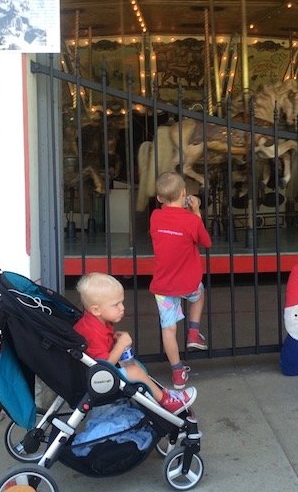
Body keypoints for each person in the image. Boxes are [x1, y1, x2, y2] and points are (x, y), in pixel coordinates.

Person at [73, 272, 197, 414]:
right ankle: (167, 402)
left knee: (134, 365)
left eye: (122, 302)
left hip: (95, 373)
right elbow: (103, 365)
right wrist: (121, 345)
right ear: (96, 310)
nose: (122, 308)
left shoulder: (98, 322)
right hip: (96, 379)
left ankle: (159, 395)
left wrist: (115, 340)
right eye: (116, 305)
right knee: (134, 370)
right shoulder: (93, 332)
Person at [149, 171, 212, 389]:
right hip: (188, 282)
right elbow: (206, 241)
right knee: (199, 294)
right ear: (184, 193)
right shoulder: (191, 220)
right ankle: (193, 331)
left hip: (164, 286)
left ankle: (177, 373)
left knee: (168, 329)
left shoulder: (155, 217)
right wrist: (196, 211)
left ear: (158, 198)